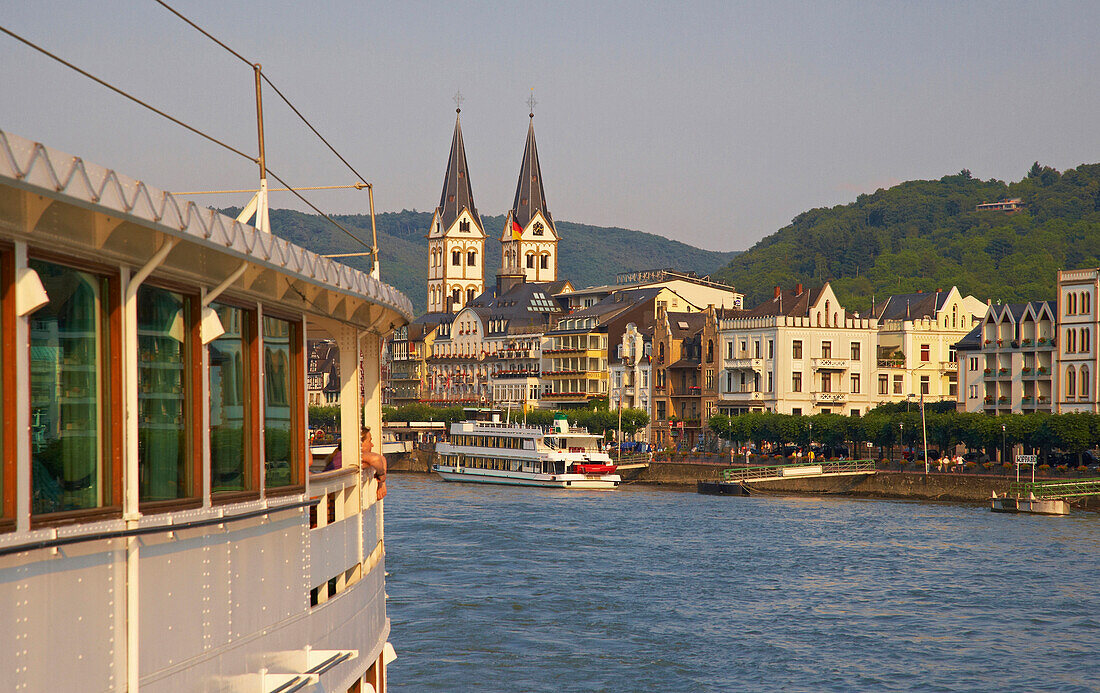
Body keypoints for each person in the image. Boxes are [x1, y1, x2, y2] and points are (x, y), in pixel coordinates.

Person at [361, 426, 387, 501]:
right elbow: (376, 459)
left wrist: (382, 483)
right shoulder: (355, 455)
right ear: (360, 443)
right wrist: (381, 477)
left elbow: (381, 458)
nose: (372, 445)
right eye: (369, 441)